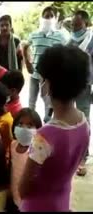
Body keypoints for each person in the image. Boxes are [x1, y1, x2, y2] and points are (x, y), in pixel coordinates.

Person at [19, 45, 90, 212]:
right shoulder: (84, 123)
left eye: (43, 79)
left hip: (37, 206)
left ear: (48, 85)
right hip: (62, 202)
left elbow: (23, 189)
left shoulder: (44, 136)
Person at [23, 6, 68, 122]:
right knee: (31, 103)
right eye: (46, 16)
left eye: (51, 16)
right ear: (42, 18)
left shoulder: (61, 36)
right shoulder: (34, 34)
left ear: (55, 18)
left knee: (48, 105)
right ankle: (30, 125)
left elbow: (66, 53)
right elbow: (25, 47)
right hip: (35, 75)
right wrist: (28, 63)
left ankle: (47, 128)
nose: (48, 18)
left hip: (49, 78)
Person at [68, 10, 93, 176]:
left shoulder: (91, 40)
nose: (75, 28)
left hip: (85, 85)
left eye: (78, 25)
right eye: (73, 25)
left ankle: (83, 157)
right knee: (69, 119)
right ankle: (72, 155)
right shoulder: (70, 41)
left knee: (83, 119)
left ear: (86, 24)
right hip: (70, 84)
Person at [10, 108, 42, 210]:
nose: (24, 128)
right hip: (15, 197)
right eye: (20, 124)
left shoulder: (37, 151)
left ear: (37, 129)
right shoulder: (13, 145)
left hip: (30, 202)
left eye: (29, 125)